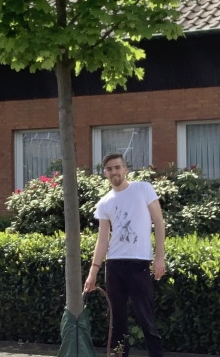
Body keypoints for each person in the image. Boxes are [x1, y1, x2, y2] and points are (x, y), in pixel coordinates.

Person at [83, 153, 166, 357]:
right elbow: (102, 240)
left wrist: (160, 257)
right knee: (117, 322)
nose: (114, 172)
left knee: (146, 319)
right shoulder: (104, 202)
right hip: (114, 266)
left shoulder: (143, 189)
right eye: (110, 169)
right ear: (105, 173)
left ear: (125, 169)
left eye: (117, 167)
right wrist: (93, 272)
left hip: (139, 264)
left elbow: (159, 222)